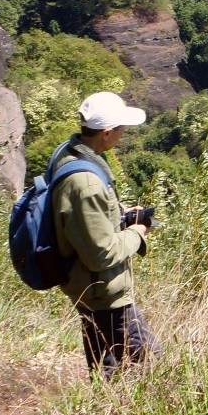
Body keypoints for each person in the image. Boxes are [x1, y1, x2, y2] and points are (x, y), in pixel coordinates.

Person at [50, 91, 157, 374]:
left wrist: (119, 213)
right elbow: (101, 254)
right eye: (121, 130)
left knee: (107, 366)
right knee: (149, 362)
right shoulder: (86, 183)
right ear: (106, 133)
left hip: (86, 286)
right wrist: (137, 232)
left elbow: (82, 216)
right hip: (103, 292)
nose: (124, 135)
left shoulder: (70, 152)